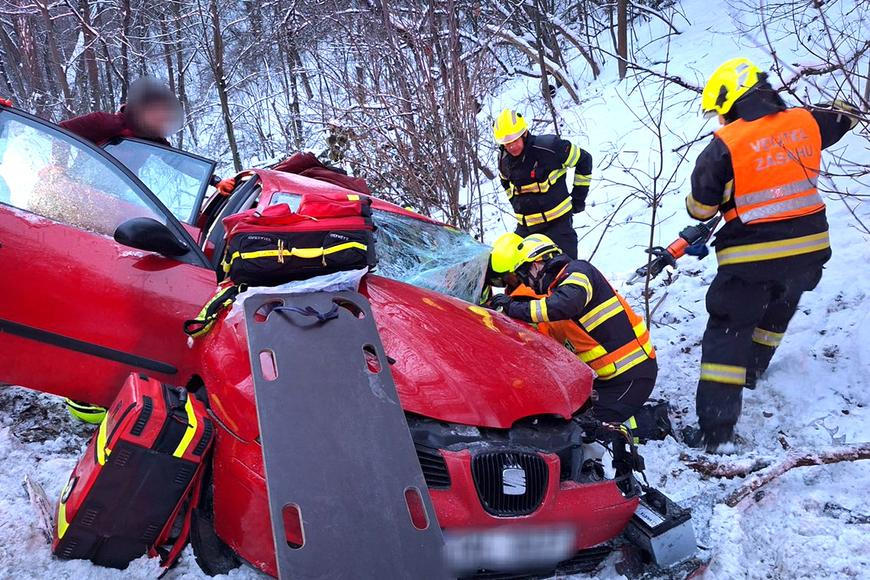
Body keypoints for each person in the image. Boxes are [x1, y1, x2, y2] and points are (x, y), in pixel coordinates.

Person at [683, 57, 859, 451]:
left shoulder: (722, 146)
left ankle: (716, 434)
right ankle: (754, 368)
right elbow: (848, 113)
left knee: (727, 332)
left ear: (732, 102)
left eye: (721, 111)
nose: (721, 119)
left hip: (752, 258)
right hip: (810, 250)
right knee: (779, 305)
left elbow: (700, 210)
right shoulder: (806, 121)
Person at [487, 233, 658, 427]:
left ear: (536, 263)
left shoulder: (578, 271)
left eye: (525, 276)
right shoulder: (555, 291)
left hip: (631, 375)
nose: (526, 283)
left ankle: (650, 423)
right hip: (607, 379)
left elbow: (564, 304)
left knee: (589, 430)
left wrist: (513, 307)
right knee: (566, 420)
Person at [493, 109, 592, 259]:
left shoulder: (550, 147)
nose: (511, 147)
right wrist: (516, 204)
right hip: (526, 230)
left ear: (524, 133)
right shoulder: (503, 159)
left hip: (558, 227)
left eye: (514, 140)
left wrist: (578, 199)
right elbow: (505, 181)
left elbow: (584, 160)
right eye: (506, 143)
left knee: (565, 274)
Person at [60, 77, 182, 146]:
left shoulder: (154, 139)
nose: (160, 117)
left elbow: (178, 162)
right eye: (154, 111)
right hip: (82, 184)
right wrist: (59, 166)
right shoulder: (105, 122)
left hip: (121, 190)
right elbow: (62, 131)